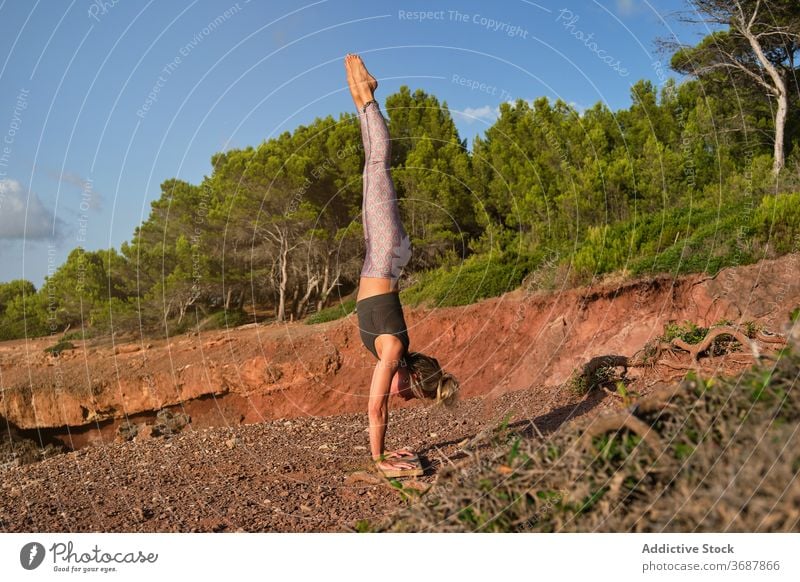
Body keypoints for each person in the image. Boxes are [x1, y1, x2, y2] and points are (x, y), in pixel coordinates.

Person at [344, 53, 460, 476]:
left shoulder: (393, 352)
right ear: (411, 377)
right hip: (384, 249)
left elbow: (380, 401)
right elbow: (376, 407)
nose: (400, 396)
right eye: (408, 395)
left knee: (370, 169)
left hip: (379, 252)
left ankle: (362, 96)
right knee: (378, 165)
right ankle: (369, 100)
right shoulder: (393, 350)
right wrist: (379, 458)